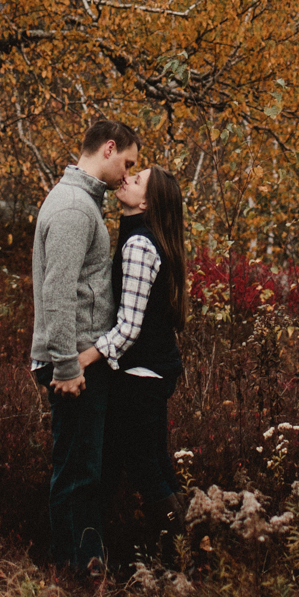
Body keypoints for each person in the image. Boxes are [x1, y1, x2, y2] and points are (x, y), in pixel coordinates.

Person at [28, 116, 135, 574]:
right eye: (128, 164)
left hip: (79, 359)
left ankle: (75, 564)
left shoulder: (80, 201)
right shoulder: (74, 208)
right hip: (75, 364)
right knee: (78, 471)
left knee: (80, 467)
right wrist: (68, 368)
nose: (129, 177)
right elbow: (57, 293)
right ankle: (77, 569)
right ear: (108, 149)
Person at [94, 163, 188, 568]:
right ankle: (186, 545)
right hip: (150, 373)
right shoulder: (147, 239)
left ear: (147, 202)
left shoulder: (138, 246)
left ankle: (179, 557)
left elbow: (129, 328)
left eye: (138, 180)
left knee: (147, 469)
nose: (127, 179)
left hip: (140, 377)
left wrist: (88, 355)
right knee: (151, 462)